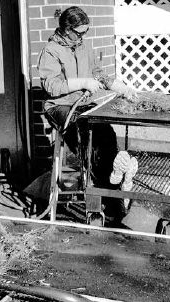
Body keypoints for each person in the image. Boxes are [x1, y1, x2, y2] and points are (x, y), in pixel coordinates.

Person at [37, 6, 139, 221]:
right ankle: (106, 194)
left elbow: (97, 72)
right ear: (66, 29)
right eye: (79, 32)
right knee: (87, 137)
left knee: (106, 132)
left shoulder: (83, 46)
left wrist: (118, 86)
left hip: (82, 104)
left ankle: (116, 172)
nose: (83, 36)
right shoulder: (51, 50)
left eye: (86, 32)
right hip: (60, 106)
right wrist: (81, 82)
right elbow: (51, 86)